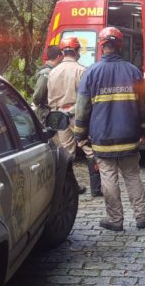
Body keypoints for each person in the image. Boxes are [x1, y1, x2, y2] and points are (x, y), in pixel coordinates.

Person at [74, 27, 145, 232]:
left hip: (103, 137)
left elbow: (82, 108)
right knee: (132, 175)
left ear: (101, 47)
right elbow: (144, 105)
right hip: (129, 135)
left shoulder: (91, 72)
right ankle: (142, 216)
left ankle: (115, 220)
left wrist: (80, 134)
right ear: (120, 45)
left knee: (108, 176)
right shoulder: (133, 71)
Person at [48, 36, 101, 197]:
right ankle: (96, 189)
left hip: (59, 116)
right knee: (89, 150)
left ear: (63, 52)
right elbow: (87, 97)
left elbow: (50, 98)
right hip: (77, 115)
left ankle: (69, 188)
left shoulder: (53, 72)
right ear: (77, 51)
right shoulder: (82, 70)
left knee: (67, 153)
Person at [32, 45, 63, 122]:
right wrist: (36, 103)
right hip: (45, 113)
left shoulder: (51, 71)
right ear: (58, 56)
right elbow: (38, 94)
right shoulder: (46, 73)